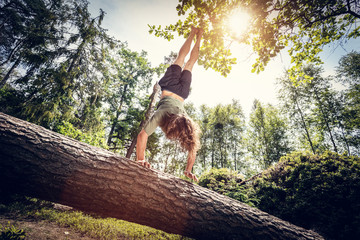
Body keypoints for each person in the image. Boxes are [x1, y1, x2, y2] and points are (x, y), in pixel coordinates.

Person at [136, 26, 203, 182]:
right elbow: (142, 136)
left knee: (188, 62)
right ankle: (196, 34)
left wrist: (188, 170)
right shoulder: (162, 115)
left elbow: (193, 148)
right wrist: (140, 159)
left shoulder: (184, 117)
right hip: (169, 88)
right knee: (183, 60)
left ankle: (197, 34)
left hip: (182, 94)